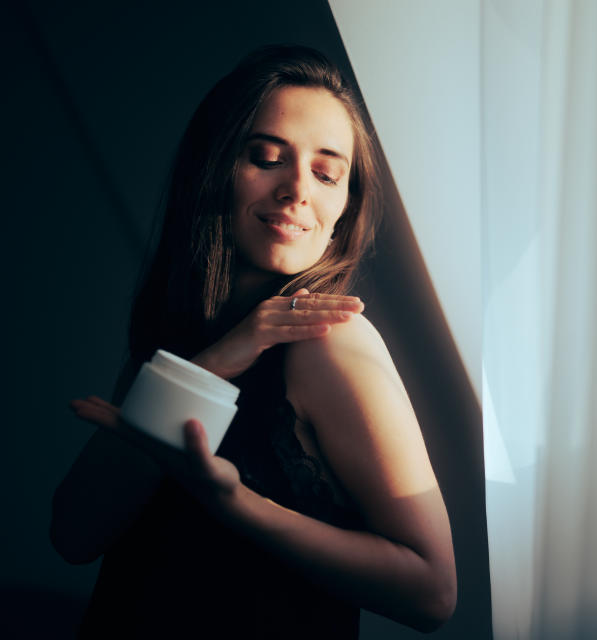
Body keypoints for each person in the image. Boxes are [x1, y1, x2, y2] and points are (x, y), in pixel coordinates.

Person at [50, 44, 456, 638]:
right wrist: (209, 367)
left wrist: (236, 504)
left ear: (345, 205)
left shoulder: (331, 341)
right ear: (215, 167)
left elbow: (433, 592)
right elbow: (73, 535)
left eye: (326, 172)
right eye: (266, 157)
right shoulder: (180, 340)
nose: (297, 190)